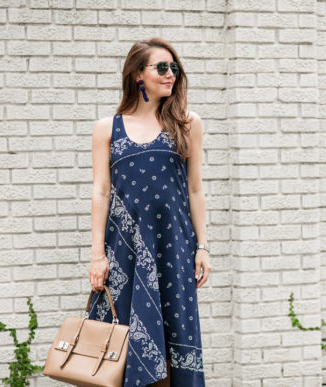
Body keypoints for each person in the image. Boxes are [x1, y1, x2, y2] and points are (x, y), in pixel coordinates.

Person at [87, 37, 212, 387]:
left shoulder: (187, 123)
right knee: (125, 344)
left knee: (175, 339)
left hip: (173, 248)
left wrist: (202, 246)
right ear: (138, 75)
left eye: (174, 67)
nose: (170, 73)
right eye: (161, 67)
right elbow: (100, 192)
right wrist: (97, 256)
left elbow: (195, 189)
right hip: (125, 251)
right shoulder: (107, 129)